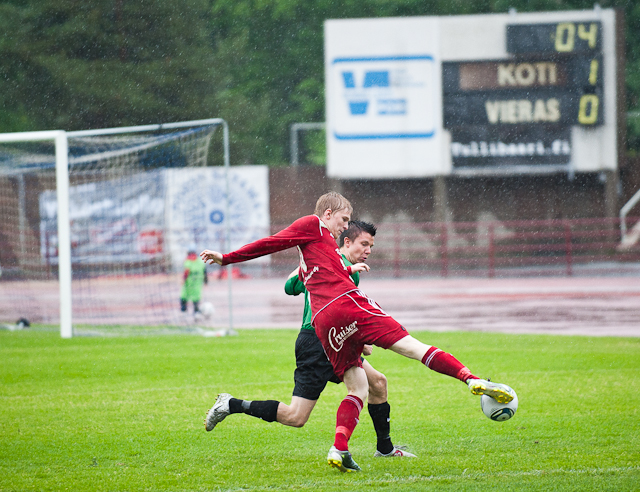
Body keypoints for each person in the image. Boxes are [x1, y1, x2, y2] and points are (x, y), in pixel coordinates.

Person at [201, 191, 515, 473]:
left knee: (367, 385)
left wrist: (345, 278)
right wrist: (228, 258)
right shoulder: (314, 227)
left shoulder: (333, 258)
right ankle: (470, 378)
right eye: (345, 222)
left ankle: (358, 448)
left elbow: (314, 268)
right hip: (318, 334)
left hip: (329, 330)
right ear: (328, 216)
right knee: (409, 350)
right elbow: (279, 255)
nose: (346, 229)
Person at [204, 220, 416, 458]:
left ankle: (383, 449)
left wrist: (305, 265)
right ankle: (232, 404)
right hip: (319, 342)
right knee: (300, 415)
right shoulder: (336, 266)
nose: (368, 251)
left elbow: (290, 287)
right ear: (346, 242)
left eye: (371, 246)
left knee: (376, 383)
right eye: (364, 244)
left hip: (331, 340)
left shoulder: (326, 261)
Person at [180, 248, 207, 316]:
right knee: (184, 297)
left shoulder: (200, 262)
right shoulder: (188, 262)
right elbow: (186, 271)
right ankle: (184, 311)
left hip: (196, 283)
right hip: (188, 283)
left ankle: (196, 312)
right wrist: (183, 280)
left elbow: (204, 271)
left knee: (196, 298)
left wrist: (206, 281)